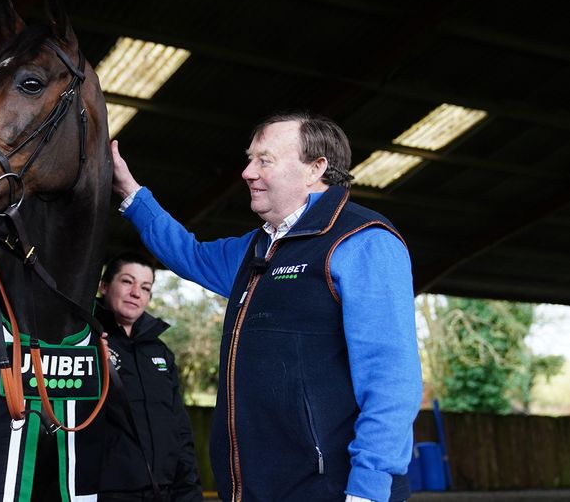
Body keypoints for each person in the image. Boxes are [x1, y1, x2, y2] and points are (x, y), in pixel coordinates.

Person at [109, 111, 422, 502]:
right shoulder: (255, 249)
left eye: (264, 160)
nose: (247, 172)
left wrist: (369, 490)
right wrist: (130, 192)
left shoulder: (363, 241)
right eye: (249, 158)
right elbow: (186, 252)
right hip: (251, 489)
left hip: (331, 491)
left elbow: (392, 380)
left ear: (315, 169)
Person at [96, 252, 204, 502]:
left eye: (145, 287)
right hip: (107, 492)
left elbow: (180, 430)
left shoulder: (160, 353)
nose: (136, 292)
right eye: (127, 281)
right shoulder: (83, 344)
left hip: (164, 492)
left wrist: (189, 492)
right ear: (104, 286)